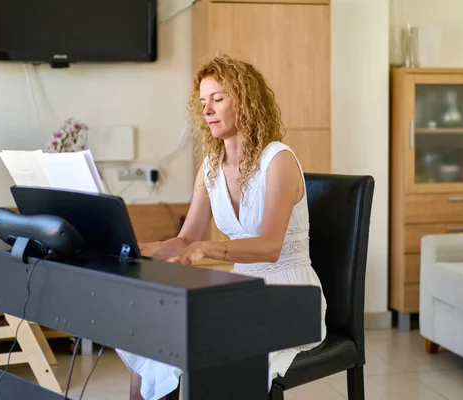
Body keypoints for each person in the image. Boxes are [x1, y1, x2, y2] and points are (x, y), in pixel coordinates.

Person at [116, 54, 327, 400]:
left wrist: (210, 248)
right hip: (241, 287)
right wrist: (139, 247)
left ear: (244, 102)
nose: (208, 110)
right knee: (152, 340)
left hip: (290, 293)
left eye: (218, 98)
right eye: (203, 102)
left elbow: (271, 247)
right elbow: (186, 238)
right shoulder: (210, 167)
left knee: (206, 349)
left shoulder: (279, 160)